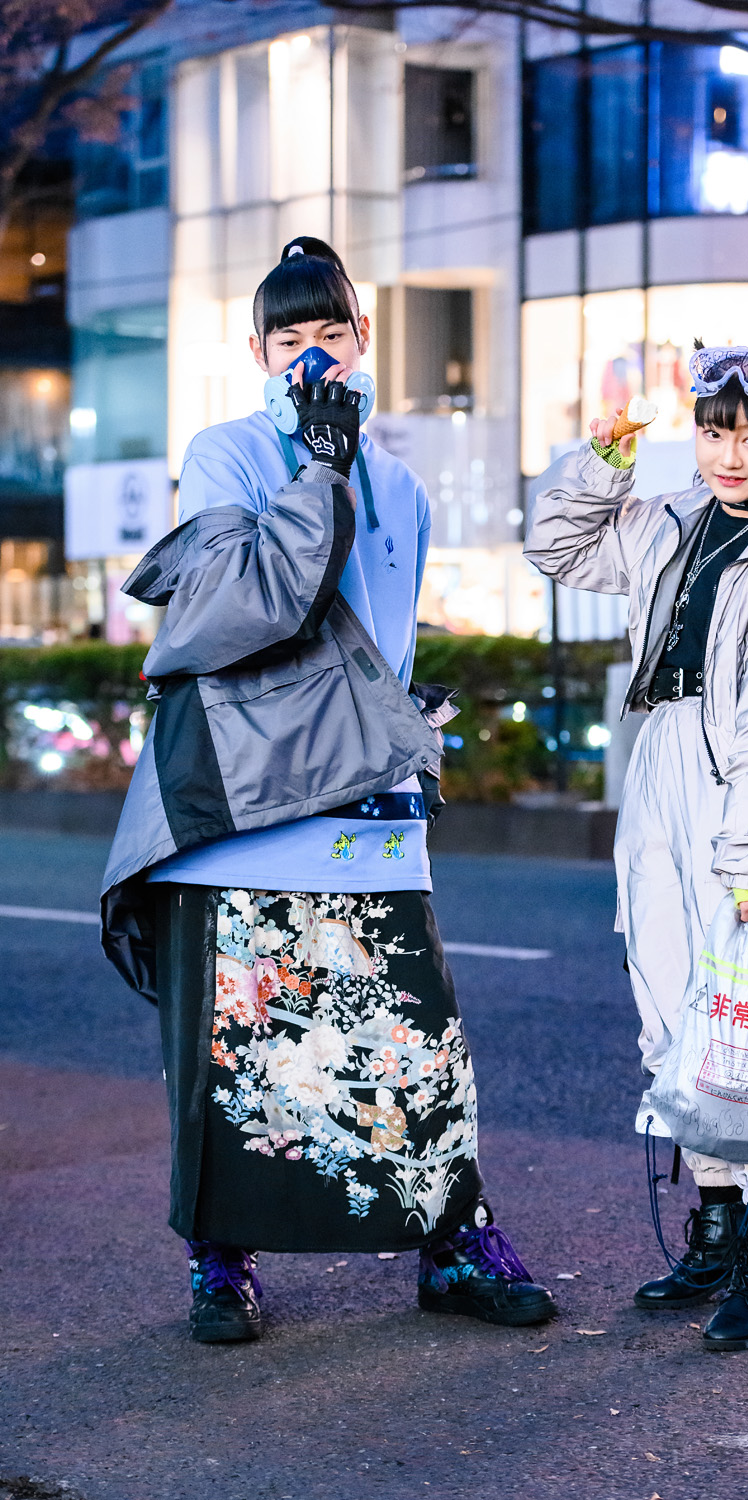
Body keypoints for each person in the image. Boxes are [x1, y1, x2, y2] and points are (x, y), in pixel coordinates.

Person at [101, 236, 556, 1343]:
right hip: (243, 813)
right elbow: (247, 608)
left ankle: (452, 1239)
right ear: (257, 351)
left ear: (365, 342)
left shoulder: (399, 483)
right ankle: (222, 1262)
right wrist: (315, 467)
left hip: (364, 813)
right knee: (235, 1054)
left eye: (332, 333)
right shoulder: (223, 455)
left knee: (411, 1039)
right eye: (289, 337)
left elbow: (380, 651)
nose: (313, 354)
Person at [524, 344, 748, 1352]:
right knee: (668, 1011)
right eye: (713, 431)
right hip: (660, 763)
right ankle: (711, 1232)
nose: (727, 453)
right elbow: (554, 551)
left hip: (739, 787)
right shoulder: (665, 519)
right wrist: (604, 460)